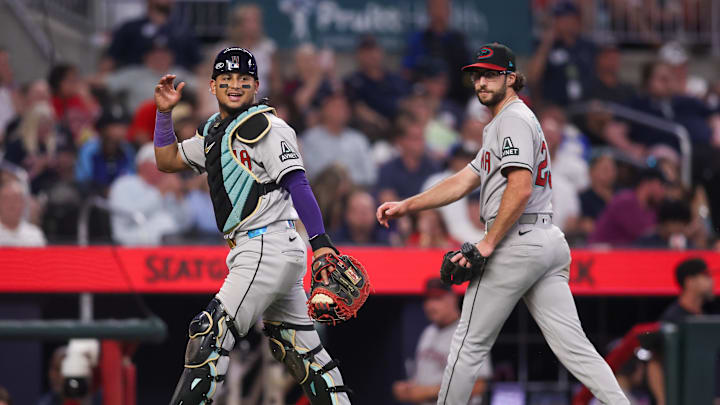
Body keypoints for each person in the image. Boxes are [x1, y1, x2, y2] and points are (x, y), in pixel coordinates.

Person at [377, 43, 629, 405]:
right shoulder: (507, 121)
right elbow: (465, 178)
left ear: (511, 78)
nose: (481, 81)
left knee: (466, 344)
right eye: (477, 75)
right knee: (576, 348)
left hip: (517, 237)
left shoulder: (512, 118)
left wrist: (489, 243)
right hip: (545, 239)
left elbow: (521, 186)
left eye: (491, 74)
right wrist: (407, 205)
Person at [152, 47, 352, 405]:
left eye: (243, 80)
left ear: (256, 85)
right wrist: (164, 114)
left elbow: (298, 184)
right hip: (269, 249)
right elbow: (167, 160)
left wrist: (321, 243)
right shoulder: (215, 131)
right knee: (304, 354)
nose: (234, 85)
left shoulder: (268, 127)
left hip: (265, 246)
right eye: (226, 79)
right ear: (212, 86)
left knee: (209, 335)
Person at [393, 278, 490, 405]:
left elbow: (479, 386)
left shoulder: (469, 333)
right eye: (427, 299)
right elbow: (424, 380)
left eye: (437, 299)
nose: (430, 305)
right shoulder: (428, 333)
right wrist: (409, 389)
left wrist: (427, 391)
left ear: (453, 298)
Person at [108, 143, 190, 245]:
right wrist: (160, 192)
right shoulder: (124, 184)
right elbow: (130, 217)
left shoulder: (166, 188)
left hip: (168, 246)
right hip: (131, 243)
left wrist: (179, 198)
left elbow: (185, 224)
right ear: (143, 165)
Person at [527, 1, 597, 107]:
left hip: (584, 107)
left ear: (576, 20)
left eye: (564, 18)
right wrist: (546, 44)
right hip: (553, 108)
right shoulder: (545, 46)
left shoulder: (588, 46)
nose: (559, 22)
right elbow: (532, 77)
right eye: (557, 18)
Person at [300, 91, 377, 187]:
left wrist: (348, 182)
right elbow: (310, 173)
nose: (340, 111)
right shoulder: (310, 139)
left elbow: (370, 175)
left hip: (354, 190)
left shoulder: (358, 139)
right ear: (324, 110)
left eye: (343, 107)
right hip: (322, 191)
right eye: (335, 107)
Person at [403, 0, 471, 105]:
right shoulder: (419, 39)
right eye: (435, 7)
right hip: (425, 99)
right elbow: (407, 72)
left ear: (449, 11)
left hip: (456, 99)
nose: (439, 12)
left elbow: (468, 72)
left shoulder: (458, 40)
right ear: (429, 11)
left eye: (442, 8)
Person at [344, 35, 410, 141]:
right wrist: (378, 120)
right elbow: (358, 108)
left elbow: (406, 101)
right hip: (372, 129)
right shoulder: (353, 81)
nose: (371, 56)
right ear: (358, 55)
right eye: (366, 52)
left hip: (398, 126)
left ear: (381, 53)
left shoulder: (395, 79)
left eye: (374, 50)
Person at [107, 0, 201, 71]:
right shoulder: (130, 28)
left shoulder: (184, 31)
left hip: (175, 80)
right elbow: (110, 60)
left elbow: (198, 64)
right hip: (137, 78)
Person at [589, 168, 666, 247]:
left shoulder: (652, 208)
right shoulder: (625, 200)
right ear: (648, 184)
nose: (663, 191)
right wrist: (666, 230)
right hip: (601, 252)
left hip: (625, 253)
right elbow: (640, 232)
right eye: (661, 185)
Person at [75, 106, 136, 195]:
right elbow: (83, 180)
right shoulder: (89, 149)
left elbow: (131, 177)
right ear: (103, 129)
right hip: (93, 200)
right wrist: (102, 190)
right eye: (114, 127)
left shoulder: (127, 150)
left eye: (123, 127)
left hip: (122, 199)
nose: (120, 131)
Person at [376, 121, 441, 202]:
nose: (420, 143)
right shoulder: (388, 169)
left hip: (425, 212)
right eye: (415, 139)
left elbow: (437, 199)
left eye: (422, 138)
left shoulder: (433, 168)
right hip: (399, 213)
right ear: (400, 141)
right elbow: (387, 200)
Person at [0, 179, 46, 247]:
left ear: (23, 203)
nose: (11, 204)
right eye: (6, 198)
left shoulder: (35, 235)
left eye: (16, 199)